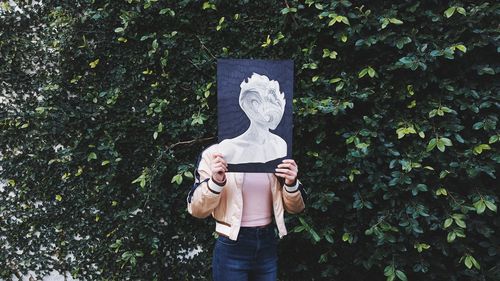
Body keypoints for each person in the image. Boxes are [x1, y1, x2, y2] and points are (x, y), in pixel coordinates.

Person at [186, 143, 307, 281]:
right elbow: (196, 209)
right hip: (232, 243)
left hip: (267, 242)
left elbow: (296, 208)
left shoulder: (274, 151)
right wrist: (215, 181)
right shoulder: (215, 154)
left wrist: (291, 182)